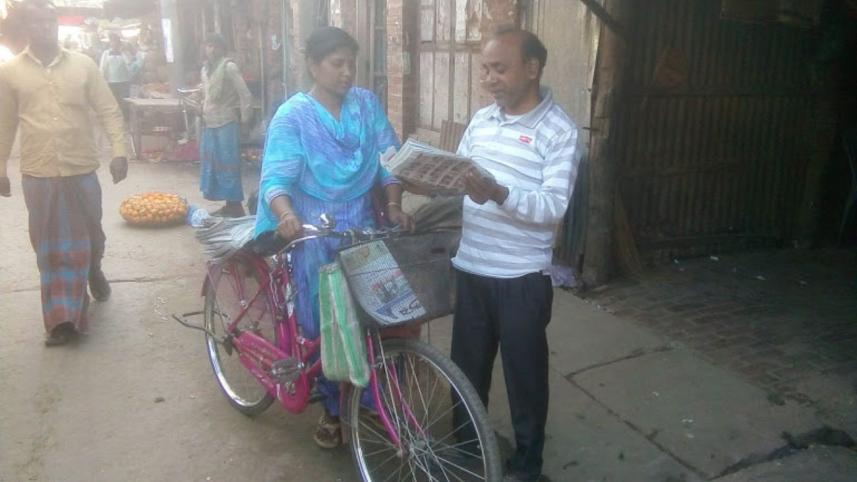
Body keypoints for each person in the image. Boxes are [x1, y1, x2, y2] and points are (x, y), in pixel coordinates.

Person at [254, 26, 413, 449]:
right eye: (336, 64)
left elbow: (389, 160)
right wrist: (286, 216)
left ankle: (375, 403)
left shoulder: (365, 105)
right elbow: (276, 179)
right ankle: (330, 409)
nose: (347, 73)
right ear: (313, 64)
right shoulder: (294, 116)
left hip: (362, 226)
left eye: (352, 64)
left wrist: (395, 205)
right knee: (323, 324)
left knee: (382, 314)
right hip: (313, 233)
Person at [450, 26, 580, 482]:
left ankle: (527, 465)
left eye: (499, 68)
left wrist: (500, 192)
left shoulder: (559, 131)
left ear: (532, 68)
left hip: (522, 279)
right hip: (472, 267)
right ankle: (466, 450)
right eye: (485, 69)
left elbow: (552, 208)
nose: (489, 78)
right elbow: (460, 172)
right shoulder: (482, 121)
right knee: (466, 373)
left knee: (525, 381)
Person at [0, 0, 129, 346]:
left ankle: (94, 268)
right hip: (39, 174)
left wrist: (119, 151)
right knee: (50, 249)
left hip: (81, 169)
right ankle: (62, 320)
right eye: (37, 23)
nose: (45, 29)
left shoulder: (84, 65)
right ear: (26, 28)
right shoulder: (10, 72)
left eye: (49, 22)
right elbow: (5, 124)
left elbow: (108, 110)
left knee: (92, 237)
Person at [200, 34, 253, 218]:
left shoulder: (229, 67)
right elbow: (205, 94)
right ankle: (228, 205)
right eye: (209, 45)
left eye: (216, 46)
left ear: (223, 49)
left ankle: (235, 206)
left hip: (226, 124)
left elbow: (245, 95)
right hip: (210, 123)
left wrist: (245, 121)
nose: (212, 50)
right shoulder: (205, 69)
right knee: (215, 165)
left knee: (229, 165)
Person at [100, 32, 133, 115]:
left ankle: (125, 117)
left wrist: (123, 52)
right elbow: (103, 67)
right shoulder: (106, 53)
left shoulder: (125, 53)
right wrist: (102, 79)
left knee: (125, 100)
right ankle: (114, 116)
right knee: (113, 101)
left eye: (116, 42)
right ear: (110, 43)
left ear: (119, 43)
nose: (114, 44)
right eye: (112, 42)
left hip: (124, 80)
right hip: (111, 81)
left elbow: (129, 62)